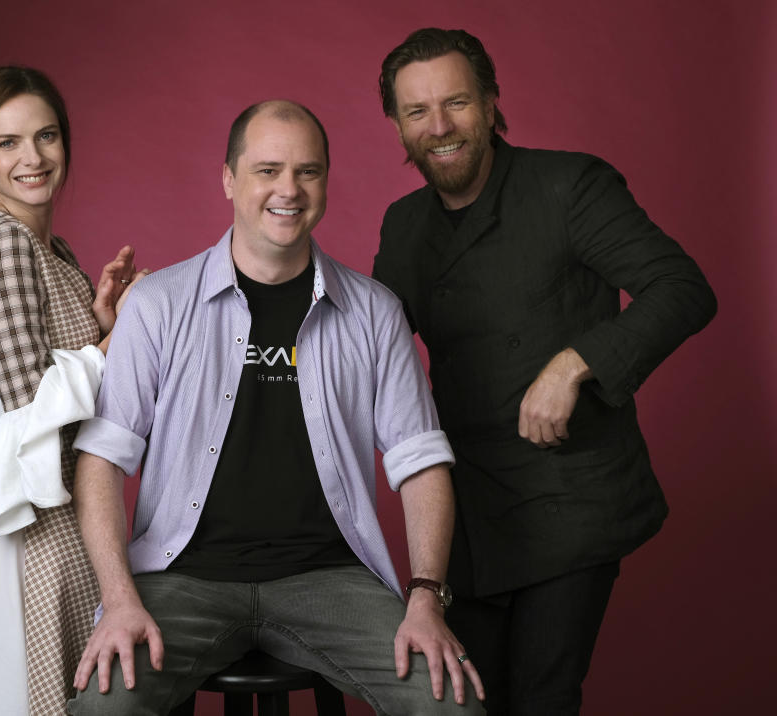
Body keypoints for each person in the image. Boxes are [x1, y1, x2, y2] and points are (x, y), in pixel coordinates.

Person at [66, 100, 486, 716]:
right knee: (104, 709)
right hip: (182, 579)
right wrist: (120, 599)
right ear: (229, 179)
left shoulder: (374, 312)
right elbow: (101, 461)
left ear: (324, 180)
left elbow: (420, 462)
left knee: (451, 704)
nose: (288, 189)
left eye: (307, 171)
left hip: (331, 581)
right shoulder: (157, 304)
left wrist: (425, 598)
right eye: (267, 170)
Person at [372, 28, 717, 716]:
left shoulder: (569, 185)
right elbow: (365, 345)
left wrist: (576, 361)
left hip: (571, 498)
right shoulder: (404, 224)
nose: (439, 127)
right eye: (417, 112)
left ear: (492, 101)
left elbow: (682, 288)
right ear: (398, 126)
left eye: (457, 103)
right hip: (468, 513)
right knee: (463, 701)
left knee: (541, 698)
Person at [0, 65, 146, 716]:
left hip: (69, 512)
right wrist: (113, 348)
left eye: (46, 136)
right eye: (7, 142)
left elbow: (66, 372)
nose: (32, 158)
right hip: (38, 522)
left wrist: (102, 321)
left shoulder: (52, 247)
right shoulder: (4, 241)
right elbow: (29, 406)